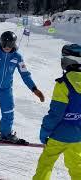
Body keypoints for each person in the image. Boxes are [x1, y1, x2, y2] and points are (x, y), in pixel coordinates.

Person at [33, 44, 81, 180]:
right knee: (77, 165)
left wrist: (45, 132)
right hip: (78, 136)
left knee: (46, 164)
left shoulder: (63, 84)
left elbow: (55, 114)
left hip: (58, 135)